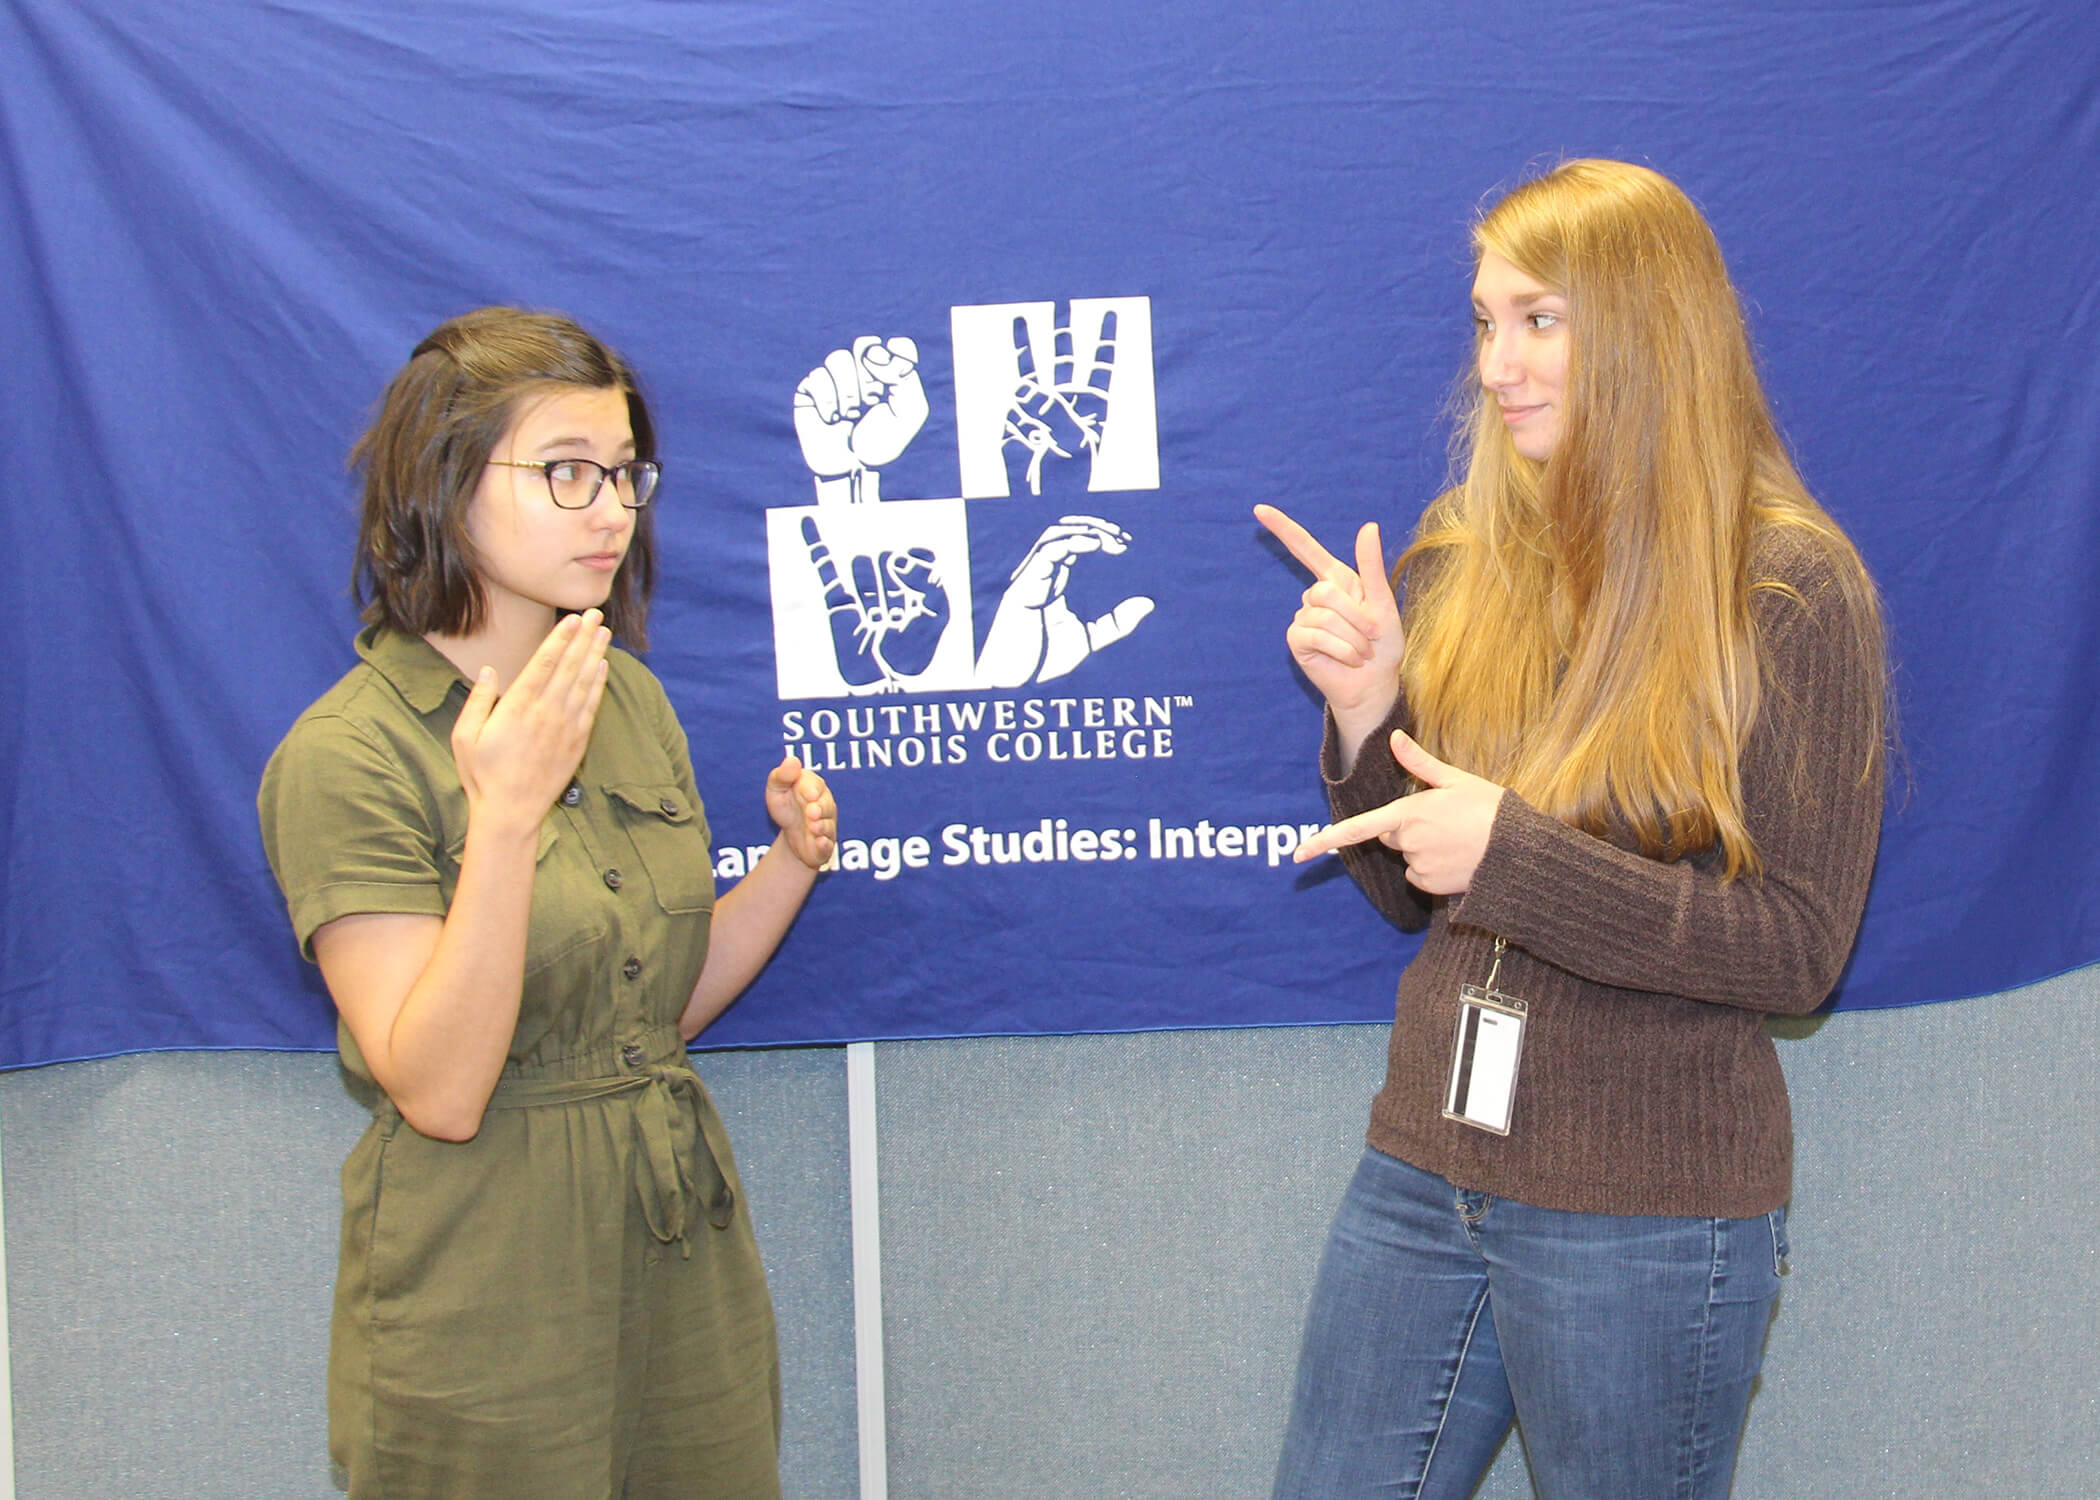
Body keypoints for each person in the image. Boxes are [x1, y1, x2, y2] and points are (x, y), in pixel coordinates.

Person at [1255, 160, 1887, 1499]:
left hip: (1645, 1212)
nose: (1498, 363)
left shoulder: (1791, 588)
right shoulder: (1469, 559)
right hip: (1428, 1167)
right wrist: (1367, 716)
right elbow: (1417, 896)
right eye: (1486, 323)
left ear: (1648, 330)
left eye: (1539, 320)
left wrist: (1516, 857)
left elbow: (1799, 953)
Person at [258, 306, 836, 1499]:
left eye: (625, 476)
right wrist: (506, 820)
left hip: (677, 1244)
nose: (612, 510)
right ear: (444, 485)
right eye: (566, 472)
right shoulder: (347, 755)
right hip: (489, 1269)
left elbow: (651, 1012)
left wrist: (786, 869)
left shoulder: (627, 699)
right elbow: (441, 1088)